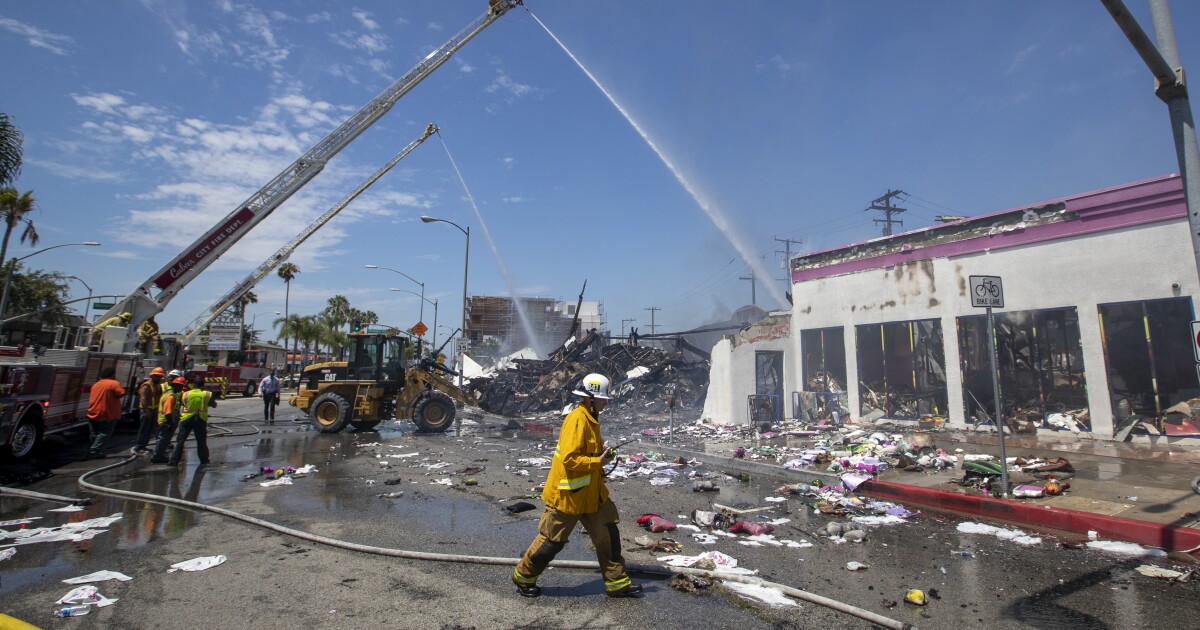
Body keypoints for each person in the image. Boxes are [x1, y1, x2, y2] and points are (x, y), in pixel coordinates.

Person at [512, 373, 641, 599]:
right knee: (551, 542)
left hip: (592, 495)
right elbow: (570, 459)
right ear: (590, 398)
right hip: (568, 496)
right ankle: (524, 576)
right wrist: (597, 461)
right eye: (602, 398)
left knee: (608, 535)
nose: (606, 402)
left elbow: (589, 452)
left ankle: (617, 583)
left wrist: (602, 454)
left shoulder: (591, 419)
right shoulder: (576, 419)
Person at [168, 378, 217, 467]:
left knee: (181, 440)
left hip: (186, 419)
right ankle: (204, 460)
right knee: (201, 441)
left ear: (193, 386)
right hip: (200, 419)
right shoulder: (207, 394)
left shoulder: (186, 394)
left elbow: (183, 404)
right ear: (202, 386)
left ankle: (173, 461)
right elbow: (213, 404)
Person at [86, 366, 126, 459]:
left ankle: (94, 450)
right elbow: (121, 393)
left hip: (93, 412)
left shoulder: (96, 384)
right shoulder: (113, 383)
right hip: (107, 413)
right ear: (112, 375)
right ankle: (94, 451)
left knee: (95, 434)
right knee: (104, 433)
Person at [150, 376, 187, 464]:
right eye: (181, 386)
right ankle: (157, 456)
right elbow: (168, 412)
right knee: (163, 439)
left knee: (164, 439)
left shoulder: (169, 394)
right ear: (176, 385)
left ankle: (159, 455)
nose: (181, 388)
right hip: (166, 422)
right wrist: (170, 423)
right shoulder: (170, 396)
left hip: (165, 421)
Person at [134, 367, 165, 453]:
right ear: (152, 376)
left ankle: (143, 446)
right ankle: (139, 447)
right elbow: (143, 398)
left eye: (160, 377)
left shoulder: (158, 385)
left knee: (150, 429)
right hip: (147, 410)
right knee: (144, 429)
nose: (159, 378)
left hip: (154, 409)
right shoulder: (147, 385)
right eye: (157, 376)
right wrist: (146, 411)